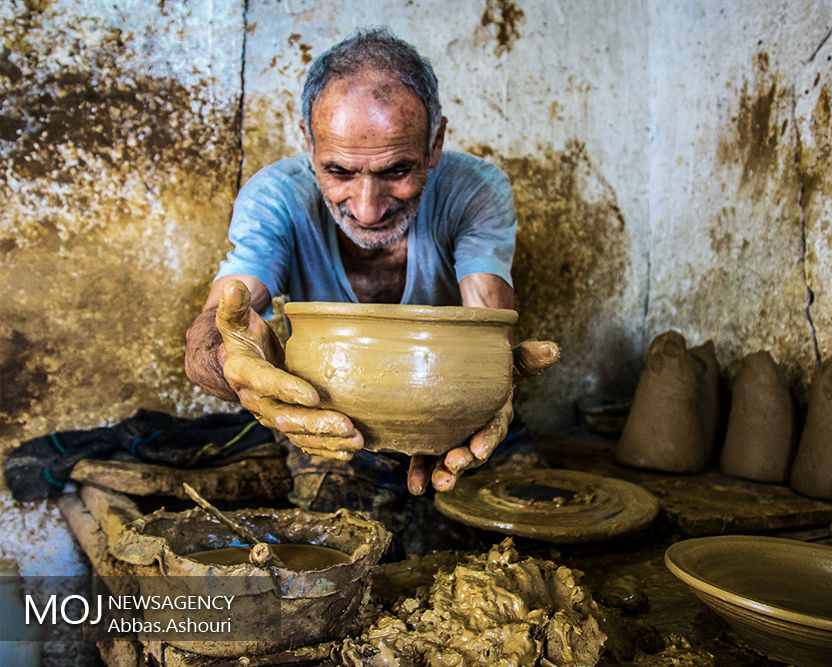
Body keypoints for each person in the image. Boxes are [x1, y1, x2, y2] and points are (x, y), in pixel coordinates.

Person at [183, 27, 558, 522]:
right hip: (334, 421)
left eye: (397, 171)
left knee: (531, 529)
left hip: (454, 414)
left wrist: (493, 384)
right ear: (308, 142)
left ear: (435, 143)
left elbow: (489, 319)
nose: (367, 207)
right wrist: (229, 362)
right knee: (345, 542)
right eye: (339, 171)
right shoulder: (277, 196)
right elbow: (222, 317)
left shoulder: (474, 189)